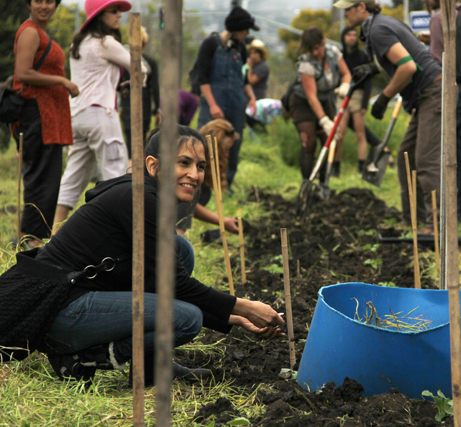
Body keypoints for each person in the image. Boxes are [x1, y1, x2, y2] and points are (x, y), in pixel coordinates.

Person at [0, 124, 284, 384]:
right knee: (187, 318)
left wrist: (231, 318)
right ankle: (81, 356)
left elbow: (160, 279)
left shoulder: (147, 196)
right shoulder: (139, 199)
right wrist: (246, 307)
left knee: (179, 249)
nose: (194, 174)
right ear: (152, 164)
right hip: (57, 308)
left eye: (200, 166)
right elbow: (177, 285)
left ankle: (151, 367)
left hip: (82, 295)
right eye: (183, 163)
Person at [336, 0, 442, 233]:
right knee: (406, 156)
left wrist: (384, 97)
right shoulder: (381, 23)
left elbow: (407, 66)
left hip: (433, 92)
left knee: (425, 159)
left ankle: (436, 227)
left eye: (347, 9)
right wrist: (373, 69)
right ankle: (412, 221)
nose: (344, 14)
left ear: (362, 7)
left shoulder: (377, 29)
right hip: (425, 94)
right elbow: (402, 54)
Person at [52, 0, 147, 234]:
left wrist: (117, 85)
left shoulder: (80, 43)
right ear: (99, 15)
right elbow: (140, 69)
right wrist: (138, 81)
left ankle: (54, 234)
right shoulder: (106, 42)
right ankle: (119, 233)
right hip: (101, 115)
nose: (119, 16)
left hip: (78, 116)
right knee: (116, 175)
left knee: (73, 175)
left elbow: (92, 79)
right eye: (113, 11)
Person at [12, 0, 78, 247]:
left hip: (49, 118)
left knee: (49, 182)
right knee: (40, 182)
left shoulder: (40, 33)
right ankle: (31, 242)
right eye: (38, 0)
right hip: (37, 115)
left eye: (50, 1)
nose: (45, 6)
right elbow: (23, 73)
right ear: (29, 4)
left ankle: (35, 239)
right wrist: (62, 82)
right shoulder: (30, 31)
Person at [421, 0, 461, 222]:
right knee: (460, 151)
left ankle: (457, 211)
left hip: (449, 91)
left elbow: (437, 58)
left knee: (449, 153)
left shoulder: (437, 17)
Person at [193, 6, 258, 190]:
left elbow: (244, 77)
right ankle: (203, 184)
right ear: (236, 28)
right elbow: (202, 78)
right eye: (245, 30)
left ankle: (225, 184)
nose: (246, 34)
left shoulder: (241, 48)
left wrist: (251, 97)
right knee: (207, 142)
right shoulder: (210, 45)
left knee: (233, 144)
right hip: (214, 102)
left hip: (236, 103)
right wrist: (213, 105)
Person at [290, 27, 351, 180]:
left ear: (323, 42)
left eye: (317, 48)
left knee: (328, 142)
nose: (315, 53)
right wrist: (324, 120)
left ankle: (323, 183)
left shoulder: (333, 53)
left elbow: (346, 73)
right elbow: (312, 97)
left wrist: (345, 84)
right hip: (303, 103)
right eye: (311, 50)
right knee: (309, 142)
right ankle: (307, 183)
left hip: (326, 100)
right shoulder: (306, 64)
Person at [176, 119, 240, 241]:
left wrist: (222, 221)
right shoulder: (190, 175)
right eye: (225, 150)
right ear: (215, 148)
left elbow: (192, 206)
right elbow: (185, 208)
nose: (227, 155)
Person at [334, 26, 372, 176]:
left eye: (354, 35)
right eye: (348, 35)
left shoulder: (362, 56)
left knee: (360, 134)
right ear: (343, 37)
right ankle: (335, 167)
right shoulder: (339, 56)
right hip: (342, 94)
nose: (351, 38)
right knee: (339, 134)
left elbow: (368, 81)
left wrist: (364, 104)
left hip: (357, 95)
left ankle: (362, 166)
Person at [119, 25, 161, 158]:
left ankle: (133, 166)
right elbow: (155, 87)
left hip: (129, 102)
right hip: (143, 102)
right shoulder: (149, 62)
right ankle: (137, 168)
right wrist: (158, 109)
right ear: (145, 43)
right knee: (141, 138)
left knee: (131, 138)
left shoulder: (125, 61)